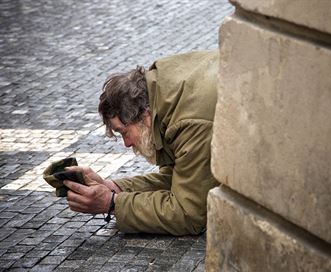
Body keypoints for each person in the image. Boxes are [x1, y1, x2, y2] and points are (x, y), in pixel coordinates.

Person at [63, 50, 219, 235]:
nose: (127, 143)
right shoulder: (162, 92)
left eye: (124, 132)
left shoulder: (188, 124)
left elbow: (188, 213)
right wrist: (114, 188)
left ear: (144, 117)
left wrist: (111, 203)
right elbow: (181, 179)